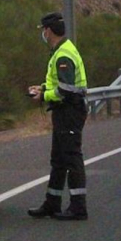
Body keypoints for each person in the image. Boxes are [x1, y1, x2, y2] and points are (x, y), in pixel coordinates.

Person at [27, 12, 89, 221]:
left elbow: (66, 90)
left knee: (71, 158)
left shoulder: (63, 55)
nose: (43, 34)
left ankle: (78, 207)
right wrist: (43, 88)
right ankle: (52, 203)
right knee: (59, 159)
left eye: (43, 30)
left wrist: (43, 95)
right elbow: (59, 84)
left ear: (49, 30)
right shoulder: (61, 51)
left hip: (69, 111)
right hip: (64, 111)